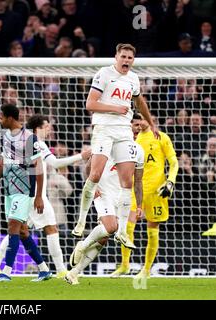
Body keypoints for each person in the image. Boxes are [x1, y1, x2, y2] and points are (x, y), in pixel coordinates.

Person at [72, 43, 159, 242]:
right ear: (116, 57)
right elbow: (90, 104)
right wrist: (114, 108)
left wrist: (152, 123)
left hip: (123, 132)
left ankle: (122, 232)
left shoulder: (133, 79)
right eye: (124, 56)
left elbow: (140, 102)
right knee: (95, 174)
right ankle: (81, 220)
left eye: (130, 58)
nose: (126, 60)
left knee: (127, 181)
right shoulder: (104, 74)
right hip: (104, 128)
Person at [0, 114, 91, 279]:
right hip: (35, 195)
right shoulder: (38, 143)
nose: (50, 128)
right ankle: (61, 270)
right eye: (46, 126)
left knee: (18, 230)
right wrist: (81, 156)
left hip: (25, 193)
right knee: (50, 228)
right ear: (38, 128)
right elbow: (56, 163)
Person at [0, 104, 52, 282]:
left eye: (1, 117)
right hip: (10, 189)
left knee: (13, 227)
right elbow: (3, 162)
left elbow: (38, 167)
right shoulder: (6, 137)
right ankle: (44, 270)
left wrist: (38, 196)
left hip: (24, 189)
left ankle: (6, 272)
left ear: (10, 118)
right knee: (22, 231)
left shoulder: (29, 138)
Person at [65, 136, 144, 285]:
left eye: (138, 126)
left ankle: (74, 273)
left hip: (120, 197)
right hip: (103, 193)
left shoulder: (138, 150)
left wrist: (139, 205)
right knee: (111, 227)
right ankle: (83, 245)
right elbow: (89, 167)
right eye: (133, 125)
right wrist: (91, 185)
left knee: (104, 237)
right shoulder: (108, 144)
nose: (135, 129)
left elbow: (138, 180)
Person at [111, 113, 178, 279]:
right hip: (136, 189)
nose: (139, 123)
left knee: (152, 230)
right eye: (135, 120)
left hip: (157, 191)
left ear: (150, 119)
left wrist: (170, 182)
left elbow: (174, 162)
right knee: (127, 226)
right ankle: (125, 265)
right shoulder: (132, 140)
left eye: (141, 119)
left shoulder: (161, 137)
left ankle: (146, 270)